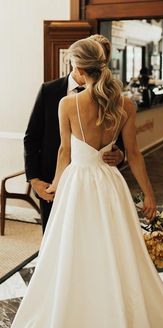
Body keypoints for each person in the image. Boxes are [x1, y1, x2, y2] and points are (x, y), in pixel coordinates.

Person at [1, 36, 163, 328]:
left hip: (78, 185)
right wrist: (149, 196)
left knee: (71, 249)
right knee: (115, 250)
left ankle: (75, 309)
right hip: (110, 185)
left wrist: (55, 184)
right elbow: (135, 155)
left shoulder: (68, 104)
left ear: (80, 70)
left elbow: (64, 151)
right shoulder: (124, 103)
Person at [24, 34, 125, 232]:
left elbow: (119, 140)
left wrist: (120, 154)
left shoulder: (111, 97)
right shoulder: (49, 91)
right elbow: (31, 137)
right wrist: (34, 179)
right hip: (52, 181)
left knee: (94, 237)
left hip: (96, 183)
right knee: (54, 240)